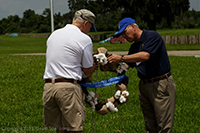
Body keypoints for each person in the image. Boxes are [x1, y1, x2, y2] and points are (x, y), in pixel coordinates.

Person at [107, 17, 176, 133]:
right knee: (150, 125)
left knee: (164, 126)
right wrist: (108, 65)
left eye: (125, 32)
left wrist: (121, 58)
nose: (124, 36)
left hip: (160, 84)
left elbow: (145, 56)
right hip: (144, 86)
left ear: (133, 27)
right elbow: (126, 65)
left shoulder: (152, 36)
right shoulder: (134, 46)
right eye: (122, 34)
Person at [43, 9, 96, 133]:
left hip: (49, 88)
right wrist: (95, 64)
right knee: (74, 129)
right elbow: (88, 71)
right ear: (85, 23)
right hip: (68, 88)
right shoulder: (84, 39)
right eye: (90, 27)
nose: (90, 30)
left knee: (60, 129)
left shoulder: (54, 34)